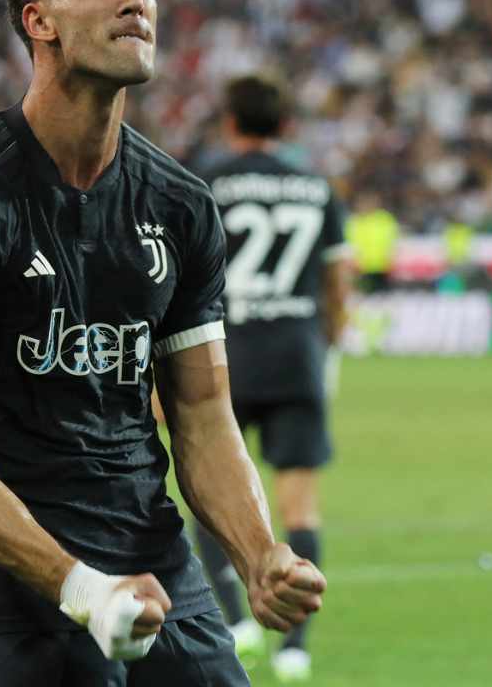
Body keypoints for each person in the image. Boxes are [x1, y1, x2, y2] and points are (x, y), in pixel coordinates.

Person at [0, 0, 325, 687]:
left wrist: (259, 554)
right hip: (6, 585)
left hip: (157, 568)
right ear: (39, 21)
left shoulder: (180, 204)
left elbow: (202, 415)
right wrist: (82, 589)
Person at [197, 74, 352, 683]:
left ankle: (235, 620)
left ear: (230, 122)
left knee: (210, 491)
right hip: (296, 355)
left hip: (222, 358)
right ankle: (295, 647)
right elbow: (338, 285)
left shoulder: (209, 182)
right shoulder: (316, 187)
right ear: (287, 125)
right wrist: (329, 347)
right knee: (300, 503)